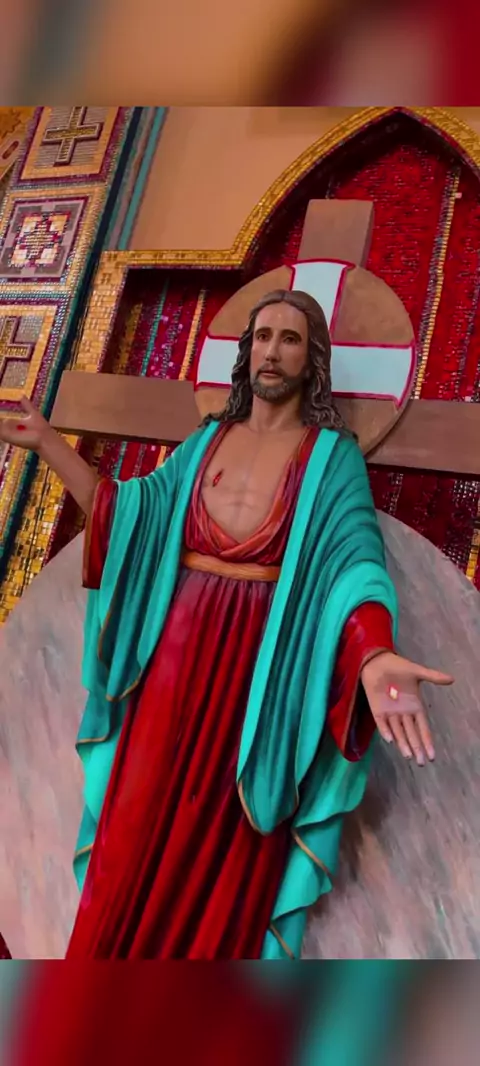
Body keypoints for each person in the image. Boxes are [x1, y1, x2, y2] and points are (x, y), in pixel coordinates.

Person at [0, 289, 453, 960]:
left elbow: (356, 567)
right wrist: (46, 444)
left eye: (290, 339)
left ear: (312, 359)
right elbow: (123, 515)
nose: (272, 351)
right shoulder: (206, 442)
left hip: (259, 679)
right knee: (132, 831)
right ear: (246, 352)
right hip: (172, 660)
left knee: (224, 852)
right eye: (262, 336)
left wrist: (375, 656)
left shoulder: (331, 460)